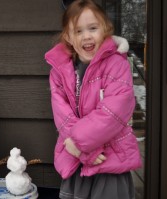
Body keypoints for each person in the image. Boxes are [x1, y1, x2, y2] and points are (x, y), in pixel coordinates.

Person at [45, 0, 142, 198]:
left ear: (105, 29)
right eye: (78, 31)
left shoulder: (116, 64)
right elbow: (61, 112)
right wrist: (80, 150)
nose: (86, 36)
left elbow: (113, 112)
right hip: (75, 159)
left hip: (109, 158)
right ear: (68, 37)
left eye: (93, 28)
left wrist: (80, 143)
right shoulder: (60, 70)